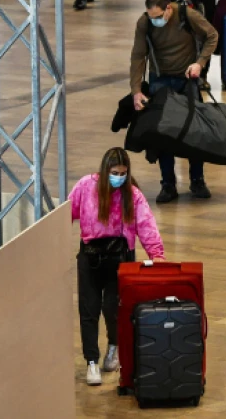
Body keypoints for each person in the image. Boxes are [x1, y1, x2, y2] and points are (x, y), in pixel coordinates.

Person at [69, 147, 165, 387]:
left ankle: (113, 346)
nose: (119, 177)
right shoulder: (85, 186)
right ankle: (91, 361)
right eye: (115, 172)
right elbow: (66, 213)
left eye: (123, 173)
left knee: (113, 308)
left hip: (120, 257)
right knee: (88, 310)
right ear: (105, 170)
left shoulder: (133, 195)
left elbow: (146, 224)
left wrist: (157, 254)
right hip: (90, 256)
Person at [130, 0, 218, 203]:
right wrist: (136, 90)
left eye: (159, 16)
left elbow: (212, 35)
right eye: (152, 17)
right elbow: (138, 55)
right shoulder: (145, 23)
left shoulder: (188, 15)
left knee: (195, 131)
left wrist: (200, 63)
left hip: (187, 79)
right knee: (163, 133)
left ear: (168, 9)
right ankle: (167, 183)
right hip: (160, 79)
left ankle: (197, 180)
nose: (156, 20)